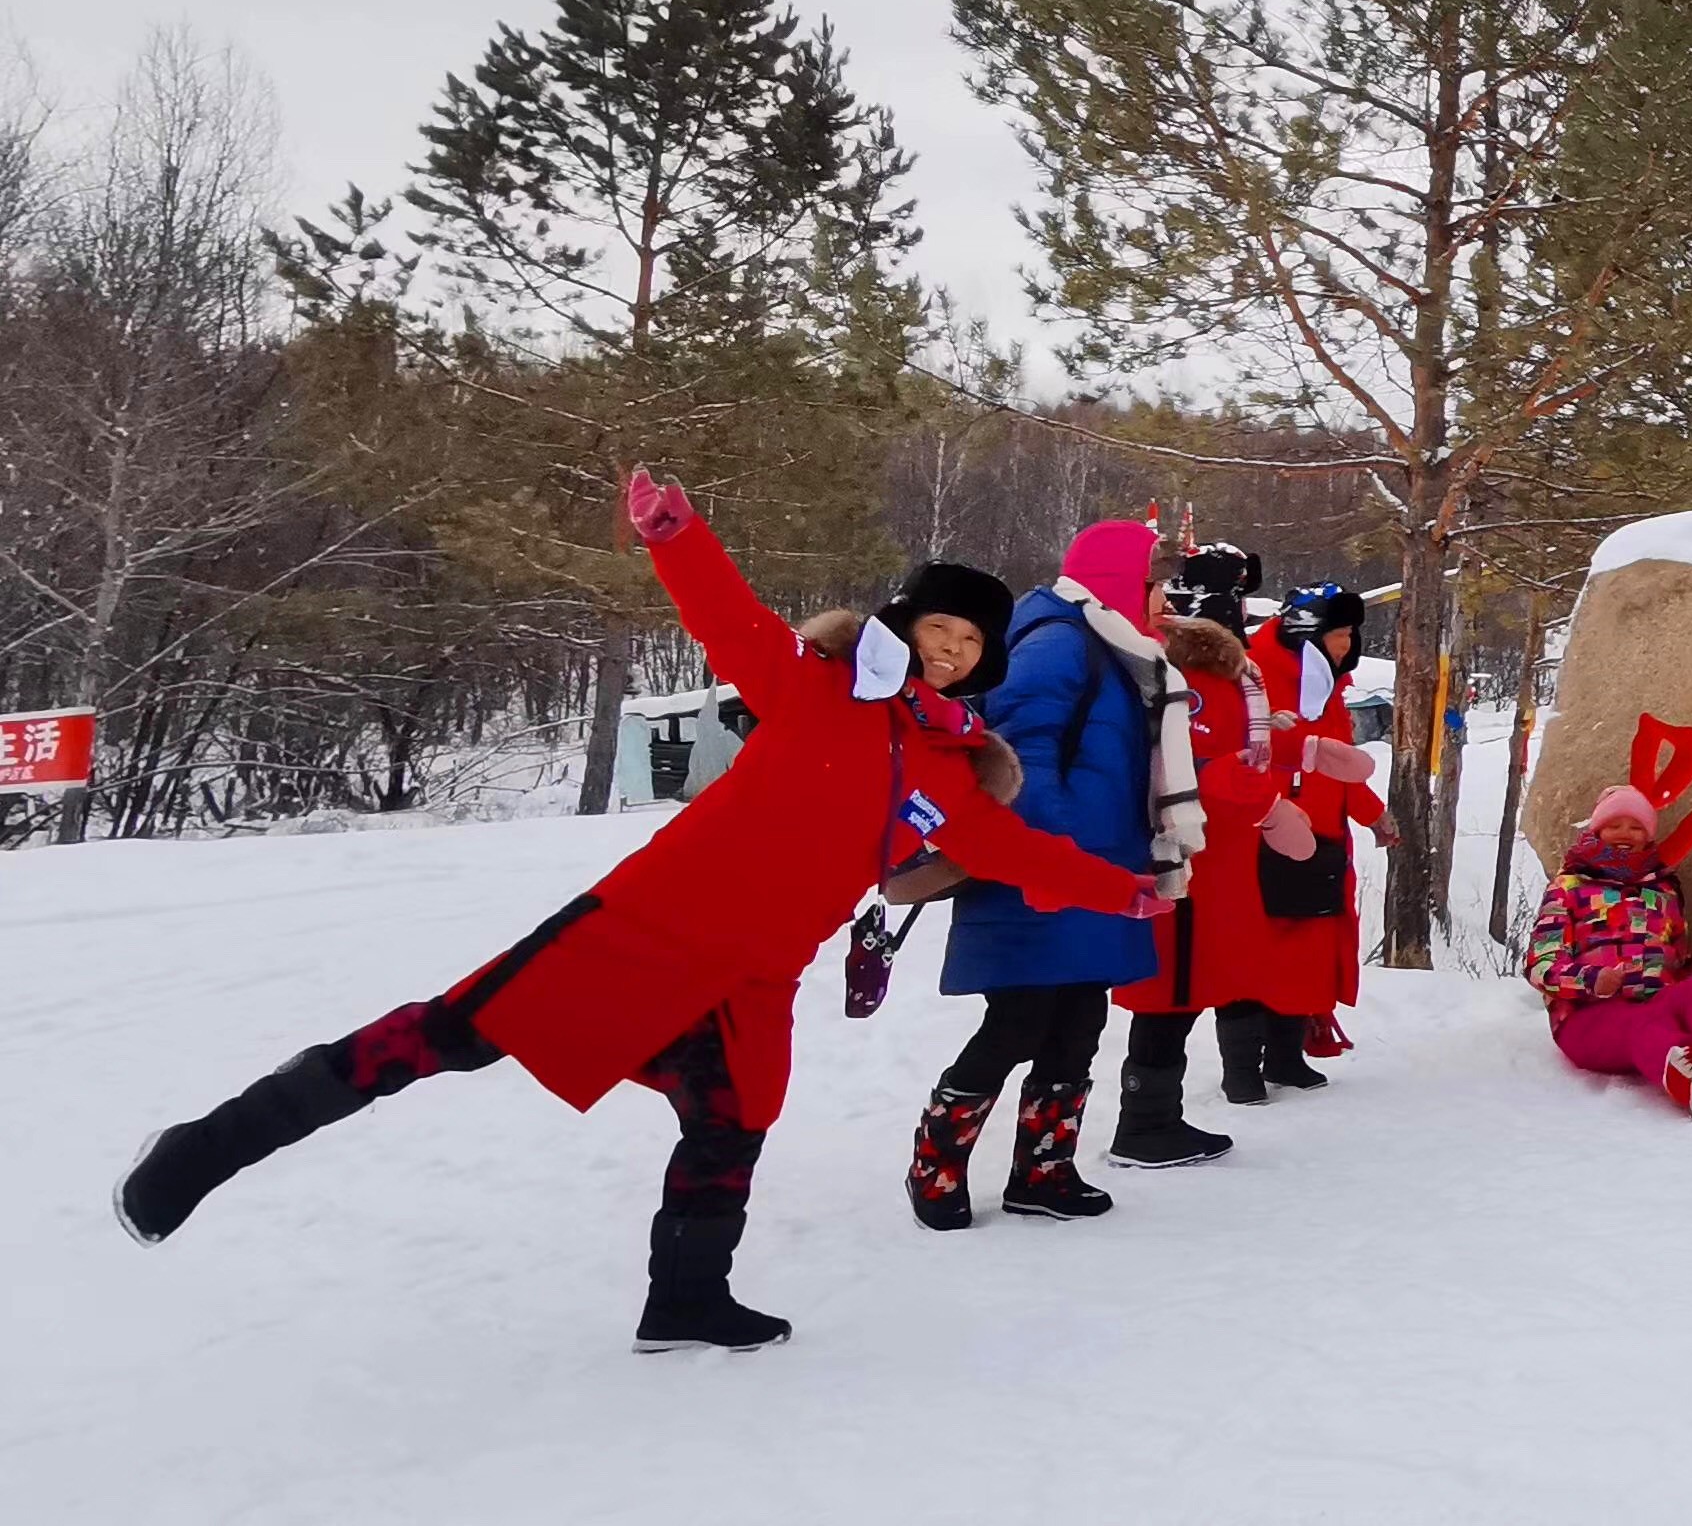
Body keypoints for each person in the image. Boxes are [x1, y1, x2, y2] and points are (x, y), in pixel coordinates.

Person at [113, 468, 1154, 1352]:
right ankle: (206, 1147)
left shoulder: (952, 769)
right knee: (449, 1037)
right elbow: (727, 614)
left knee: (737, 1116)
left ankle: (688, 1294)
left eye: (970, 645)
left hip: (758, 973)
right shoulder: (813, 684)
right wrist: (676, 535)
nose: (950, 651)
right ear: (901, 622)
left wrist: (1129, 890)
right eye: (938, 628)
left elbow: (1023, 854)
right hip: (648, 925)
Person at [914, 517, 1240, 1231]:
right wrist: (1059, 862)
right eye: (1156, 584)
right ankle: (936, 1160)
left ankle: (1045, 1169)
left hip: (1095, 872)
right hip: (1047, 873)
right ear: (1122, 581)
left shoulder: (1110, 646)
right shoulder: (1059, 642)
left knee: (1079, 1020)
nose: (1165, 599)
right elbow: (1022, 757)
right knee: (1017, 1021)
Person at [1104, 542, 1293, 1168]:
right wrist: (1243, 786)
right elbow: (1182, 765)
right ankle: (1144, 1124)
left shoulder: (1226, 677)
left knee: (1185, 991)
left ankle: (1157, 1116)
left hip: (1216, 860)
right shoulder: (1178, 680)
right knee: (1171, 991)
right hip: (1189, 860)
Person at [1527, 785, 1692, 1117]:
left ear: (1648, 835)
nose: (1625, 833)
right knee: (1643, 1024)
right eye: (1615, 825)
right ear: (1597, 830)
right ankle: (1688, 1078)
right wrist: (1592, 979)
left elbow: (1680, 956)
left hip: (1655, 1002)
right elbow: (1541, 963)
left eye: (1636, 826)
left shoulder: (1663, 889)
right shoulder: (1569, 888)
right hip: (1589, 1018)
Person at [1221, 583, 1387, 1098]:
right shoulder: (1258, 675)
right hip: (1263, 834)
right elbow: (1242, 758)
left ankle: (1286, 1057)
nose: (1348, 643)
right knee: (1255, 951)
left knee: (1303, 950)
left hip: (1322, 838)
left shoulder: (1323, 682)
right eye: (1339, 633)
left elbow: (1336, 761)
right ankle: (1242, 1069)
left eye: (1351, 633)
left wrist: (1371, 813)